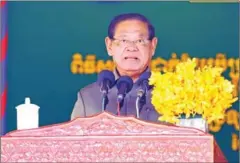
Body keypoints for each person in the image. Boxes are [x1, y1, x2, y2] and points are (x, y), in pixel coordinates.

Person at [71, 13, 162, 123]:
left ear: (153, 46)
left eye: (140, 41)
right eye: (123, 40)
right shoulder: (88, 97)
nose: (131, 48)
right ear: (109, 46)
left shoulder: (171, 95)